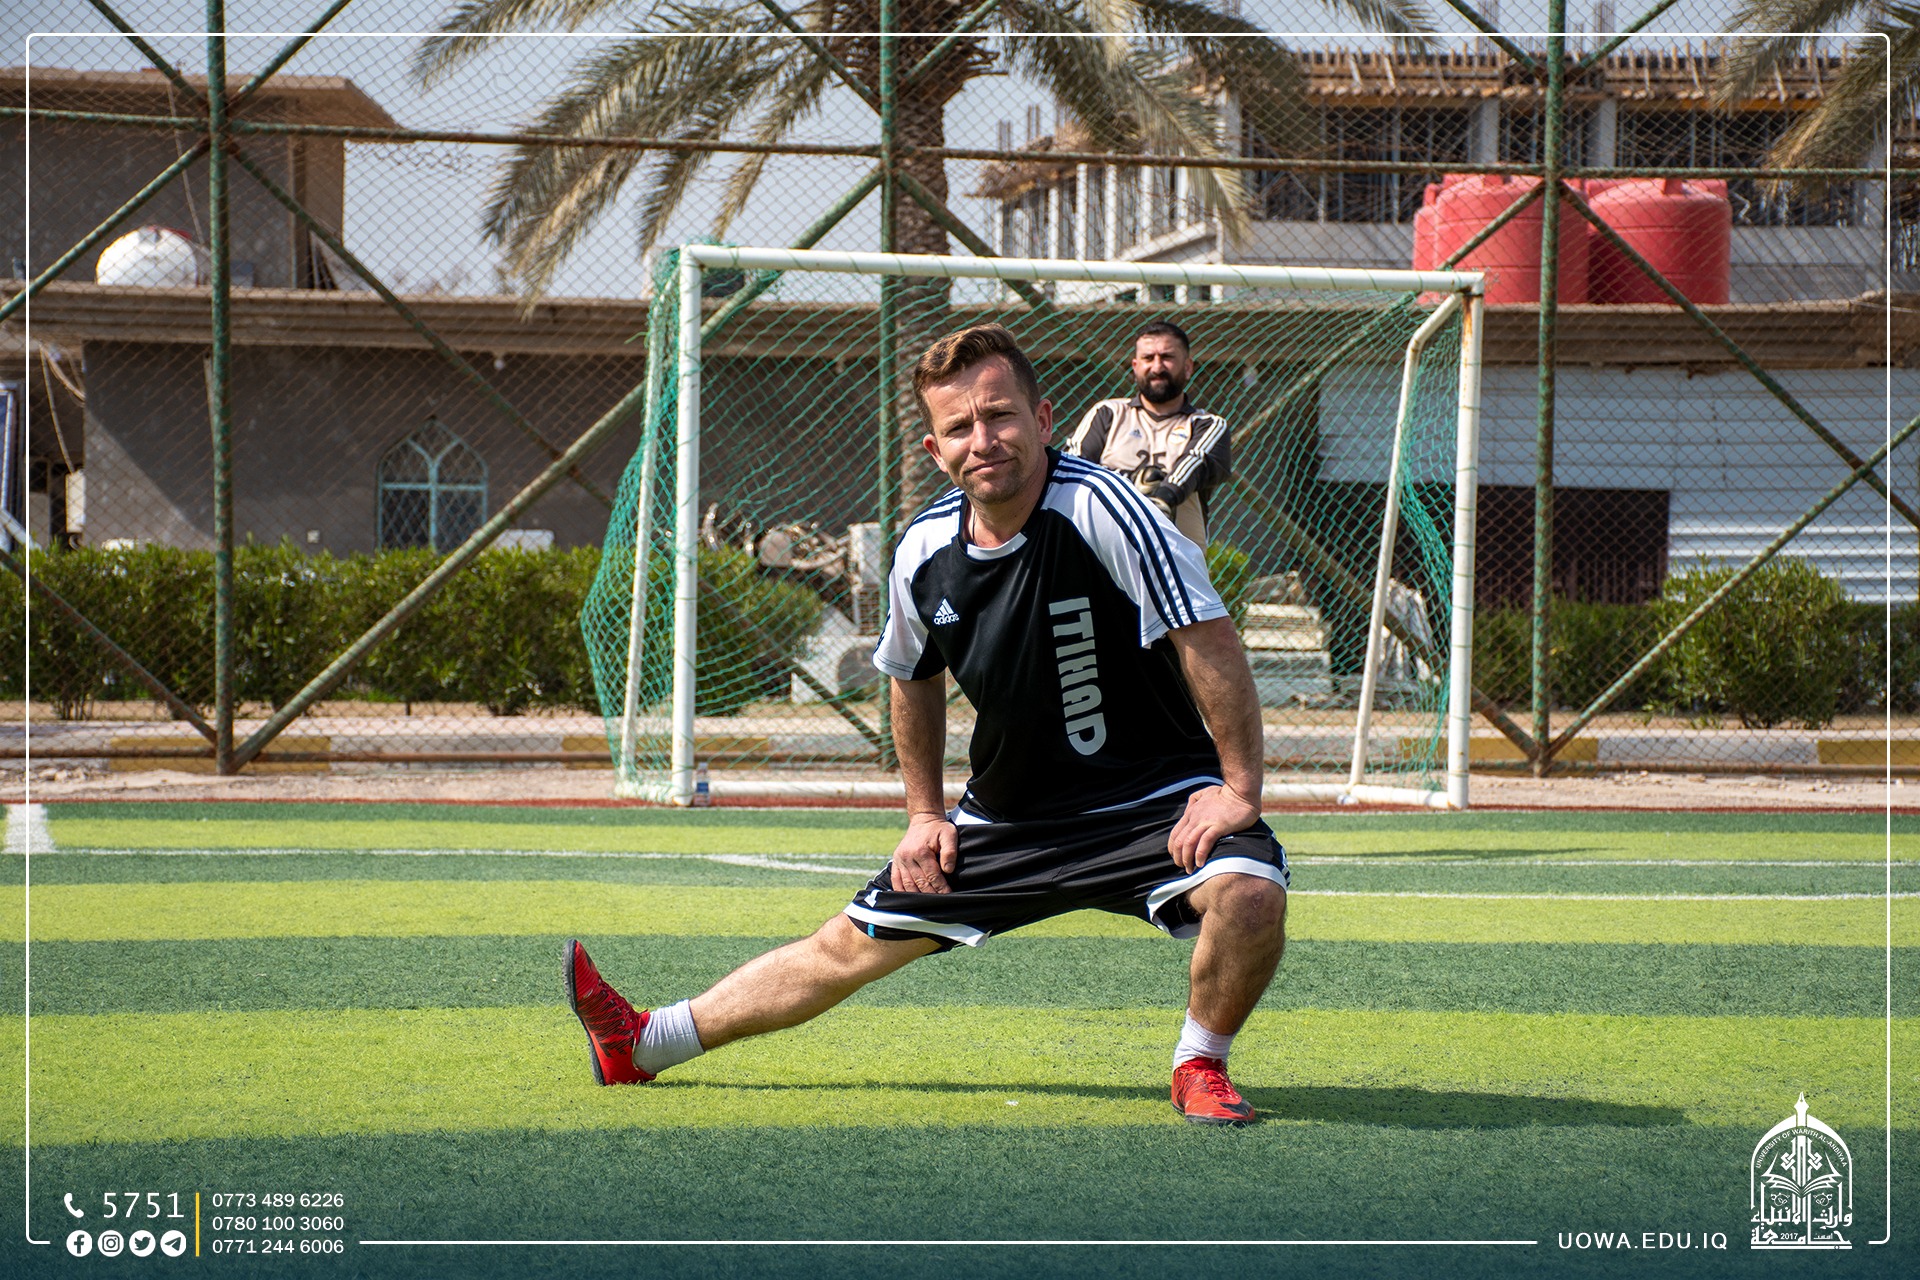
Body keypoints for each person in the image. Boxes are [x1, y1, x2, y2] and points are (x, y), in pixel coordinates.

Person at [565, 323, 1287, 1125]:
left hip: (1152, 800)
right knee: (845, 948)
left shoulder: (1107, 511)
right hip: (1012, 816)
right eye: (960, 427)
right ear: (934, 448)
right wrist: (922, 814)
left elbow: (1207, 637)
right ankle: (643, 1042)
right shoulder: (924, 550)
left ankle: (1199, 1064)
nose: (985, 440)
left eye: (1000, 415)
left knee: (1251, 892)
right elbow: (910, 677)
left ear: (1044, 420)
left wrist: (1237, 790)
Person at [1066, 320, 1230, 548]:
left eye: (1167, 357)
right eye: (1148, 358)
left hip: (1175, 558)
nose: (1157, 367)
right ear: (1135, 366)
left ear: (1188, 367)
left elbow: (1194, 464)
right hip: (1103, 554)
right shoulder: (1107, 413)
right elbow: (1072, 472)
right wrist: (1133, 483)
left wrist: (1162, 499)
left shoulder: (1207, 425)